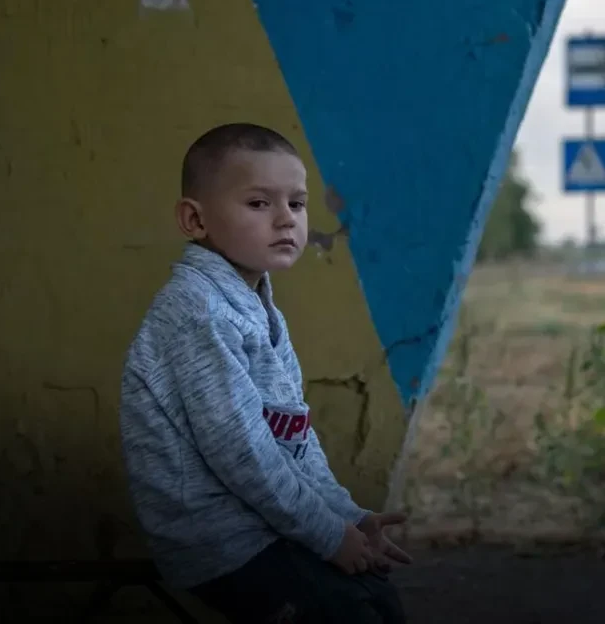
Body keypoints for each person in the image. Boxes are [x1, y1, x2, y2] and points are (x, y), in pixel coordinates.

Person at [119, 123, 411, 623]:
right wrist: (326, 534)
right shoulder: (199, 312)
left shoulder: (257, 308)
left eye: (296, 204)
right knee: (348, 615)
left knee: (380, 601)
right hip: (218, 540)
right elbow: (244, 455)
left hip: (264, 524)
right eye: (258, 204)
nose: (285, 221)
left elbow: (294, 435)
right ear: (195, 219)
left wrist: (346, 516)